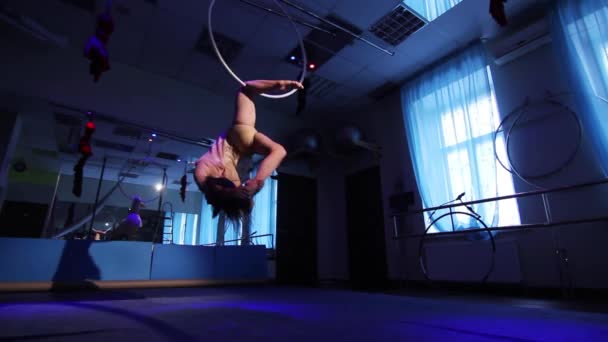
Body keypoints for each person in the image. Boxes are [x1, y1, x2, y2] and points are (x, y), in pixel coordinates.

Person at [194, 80, 303, 221]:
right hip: (240, 140)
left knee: (279, 150)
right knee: (246, 90)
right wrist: (256, 184)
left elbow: (214, 191)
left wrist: (255, 184)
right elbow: (222, 195)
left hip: (242, 143)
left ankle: (279, 84)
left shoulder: (208, 182)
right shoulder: (213, 183)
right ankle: (279, 84)